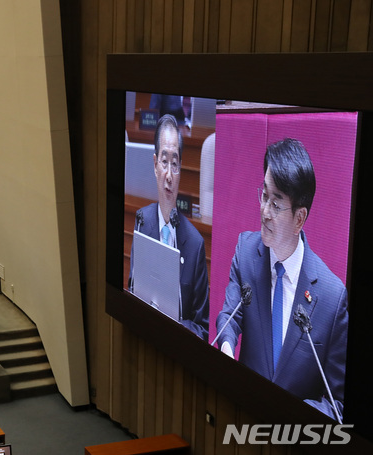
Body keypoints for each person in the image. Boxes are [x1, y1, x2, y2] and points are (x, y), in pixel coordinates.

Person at [215, 138, 348, 421]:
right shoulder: (246, 253)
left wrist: (289, 415)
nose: (264, 212)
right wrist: (226, 349)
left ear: (300, 218)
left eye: (276, 204)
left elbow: (338, 405)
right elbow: (229, 316)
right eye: (264, 196)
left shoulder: (332, 298)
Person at [128, 114, 210, 341]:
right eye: (164, 162)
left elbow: (202, 328)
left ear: (181, 169)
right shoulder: (142, 221)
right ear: (155, 165)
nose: (169, 174)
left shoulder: (194, 244)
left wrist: (172, 326)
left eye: (175, 164)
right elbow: (133, 288)